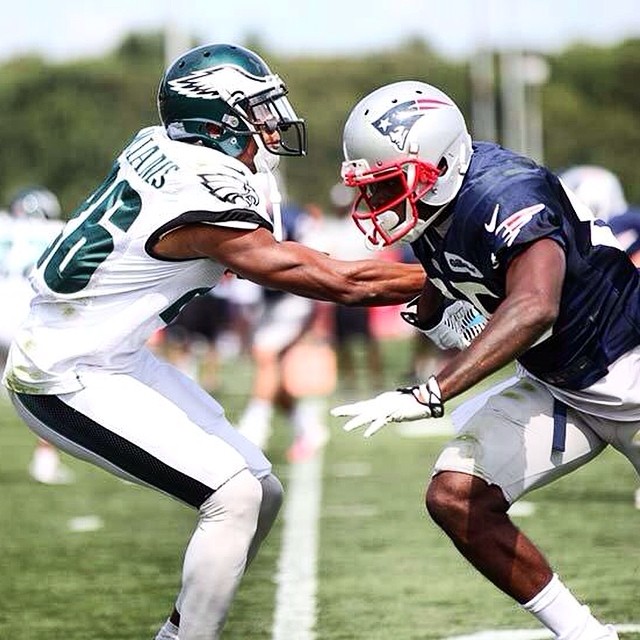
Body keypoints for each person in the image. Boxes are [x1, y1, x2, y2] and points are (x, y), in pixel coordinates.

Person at [1, 45, 424, 640]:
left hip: (108, 357)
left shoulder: (167, 146)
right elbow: (337, 281)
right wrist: (453, 274)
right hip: (63, 376)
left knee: (263, 492)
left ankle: (182, 630)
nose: (273, 120)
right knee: (234, 496)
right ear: (216, 122)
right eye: (257, 109)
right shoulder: (201, 191)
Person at [331, 80, 639, 640]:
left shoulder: (507, 193)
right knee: (456, 495)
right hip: (562, 383)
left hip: (627, 366)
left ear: (441, 165)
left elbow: (535, 306)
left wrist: (431, 392)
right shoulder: (437, 204)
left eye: (386, 186)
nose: (376, 204)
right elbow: (451, 269)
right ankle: (583, 635)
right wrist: (430, 309)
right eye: (370, 188)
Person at [236, 202, 334, 462]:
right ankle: (308, 428)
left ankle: (252, 431)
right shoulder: (243, 213)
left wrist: (318, 307)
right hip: (269, 301)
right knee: (273, 374)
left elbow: (319, 256)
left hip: (294, 297)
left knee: (264, 357)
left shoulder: (291, 217)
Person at [0, 186, 75, 484]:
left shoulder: (3, 225)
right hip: (29, 316)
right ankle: (45, 461)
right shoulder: (57, 230)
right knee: (50, 390)